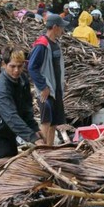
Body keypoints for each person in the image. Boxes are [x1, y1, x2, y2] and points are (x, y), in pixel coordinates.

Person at [0, 48, 42, 159]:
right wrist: (33, 137)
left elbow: (26, 108)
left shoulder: (22, 79)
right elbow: (11, 116)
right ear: (4, 64)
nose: (16, 70)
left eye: (19, 66)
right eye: (12, 66)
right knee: (3, 161)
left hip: (7, 126)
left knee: (12, 157)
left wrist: (35, 128)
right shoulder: (1, 88)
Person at [28, 14, 68, 147]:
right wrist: (43, 86)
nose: (63, 30)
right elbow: (32, 68)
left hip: (56, 89)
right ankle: (43, 151)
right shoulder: (42, 45)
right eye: (61, 27)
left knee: (54, 121)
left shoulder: (56, 44)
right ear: (55, 27)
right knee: (46, 121)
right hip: (46, 90)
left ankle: (49, 149)